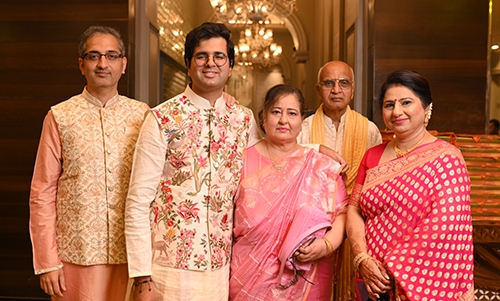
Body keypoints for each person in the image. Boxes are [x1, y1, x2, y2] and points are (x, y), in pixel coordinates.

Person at [124, 22, 262, 300]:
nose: (211, 63)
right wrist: (141, 276)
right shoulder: (161, 118)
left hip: (222, 266)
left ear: (231, 65)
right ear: (188, 65)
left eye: (219, 56)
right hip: (166, 269)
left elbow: (270, 166)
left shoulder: (243, 119)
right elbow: (138, 200)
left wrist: (316, 148)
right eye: (201, 56)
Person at [29, 26, 150, 300]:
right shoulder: (59, 116)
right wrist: (47, 262)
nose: (103, 63)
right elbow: (42, 193)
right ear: (81, 64)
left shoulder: (143, 116)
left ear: (124, 64)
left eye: (111, 55)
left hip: (132, 256)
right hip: (75, 256)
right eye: (94, 56)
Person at [346, 70, 474, 300]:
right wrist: (362, 258)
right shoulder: (372, 156)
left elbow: (445, 227)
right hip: (371, 282)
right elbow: (354, 209)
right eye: (389, 105)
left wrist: (393, 267)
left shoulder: (446, 158)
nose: (397, 112)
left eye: (406, 102)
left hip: (420, 282)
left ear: (426, 107)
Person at [229, 84, 349, 300]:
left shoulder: (321, 165)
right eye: (276, 112)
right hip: (247, 276)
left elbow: (343, 213)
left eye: (292, 113)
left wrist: (326, 245)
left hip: (306, 277)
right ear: (263, 117)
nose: (283, 120)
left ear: (302, 122)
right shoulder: (239, 162)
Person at [297, 60, 382, 194]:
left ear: (352, 89)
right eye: (329, 83)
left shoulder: (369, 130)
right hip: (313, 206)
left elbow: (376, 180)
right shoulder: (302, 129)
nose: (336, 90)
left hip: (358, 208)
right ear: (319, 90)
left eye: (344, 83)